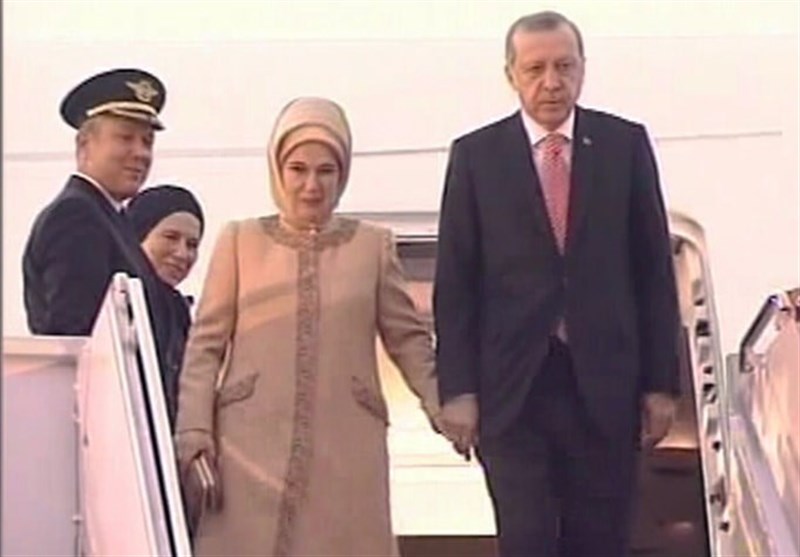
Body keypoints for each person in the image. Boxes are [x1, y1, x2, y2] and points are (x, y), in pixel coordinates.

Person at [433, 11, 681, 557]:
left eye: (564, 67)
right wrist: (458, 391)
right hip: (513, 391)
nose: (551, 82)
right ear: (511, 74)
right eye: (536, 68)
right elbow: (455, 283)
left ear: (583, 68)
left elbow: (653, 272)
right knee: (528, 538)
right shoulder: (476, 156)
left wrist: (661, 385)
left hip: (605, 387)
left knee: (601, 539)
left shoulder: (623, 145)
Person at [174, 97, 441, 556]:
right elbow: (205, 346)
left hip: (345, 438)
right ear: (278, 170)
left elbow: (408, 340)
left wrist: (444, 406)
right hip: (249, 440)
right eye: (298, 169)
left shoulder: (371, 246)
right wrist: (194, 428)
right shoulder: (241, 240)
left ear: (343, 174)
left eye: (325, 171)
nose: (311, 185)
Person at [22, 68, 176, 354]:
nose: (141, 153)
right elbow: (77, 337)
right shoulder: (76, 216)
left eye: (147, 142)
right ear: (84, 145)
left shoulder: (111, 219)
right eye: (125, 138)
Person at [127, 184, 205, 427]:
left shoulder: (178, 312)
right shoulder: (121, 304)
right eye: (171, 237)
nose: (182, 253)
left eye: (192, 245)